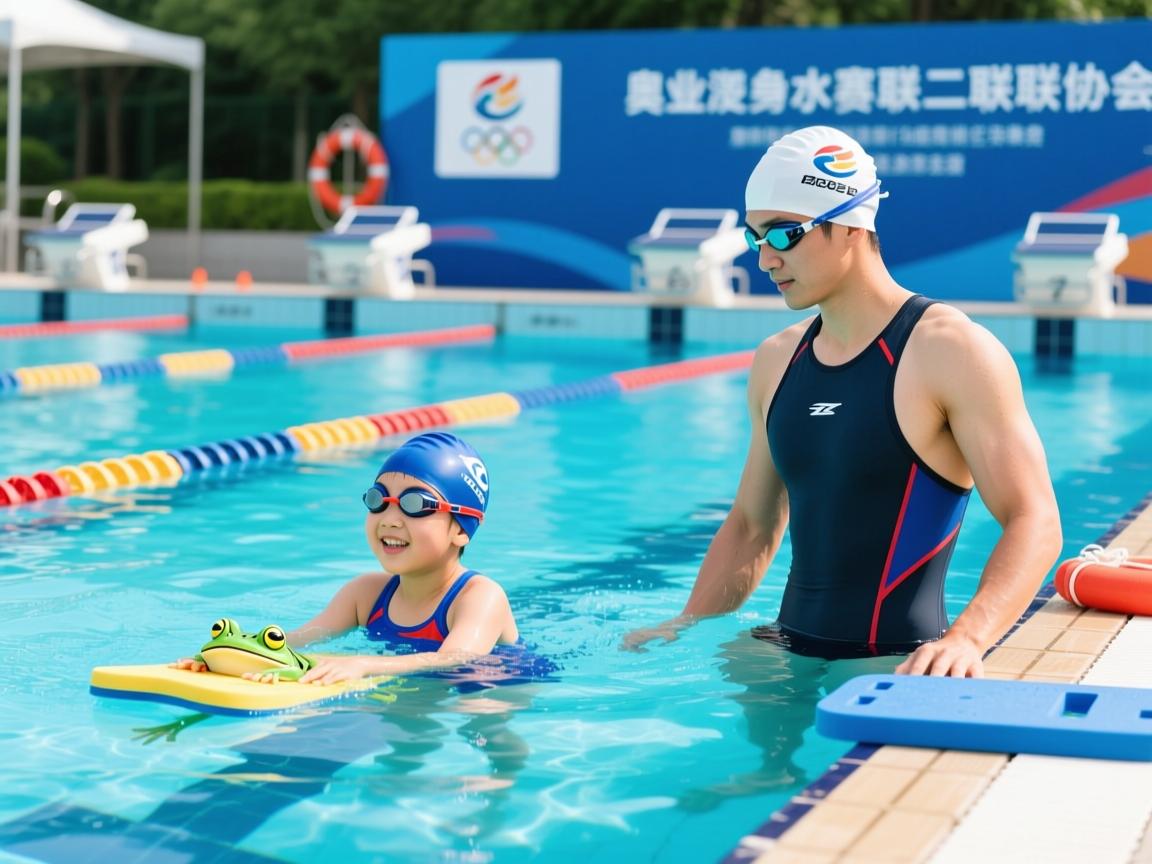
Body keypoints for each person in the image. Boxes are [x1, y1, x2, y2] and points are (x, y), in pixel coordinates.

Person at [624, 125, 1062, 677]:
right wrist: (685, 623)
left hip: (896, 664)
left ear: (851, 223)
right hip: (781, 653)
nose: (764, 260)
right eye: (755, 237)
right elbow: (752, 525)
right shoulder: (776, 360)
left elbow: (1035, 518)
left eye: (783, 235)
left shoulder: (949, 350)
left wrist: (967, 640)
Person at [176, 431, 520, 684]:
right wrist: (223, 657)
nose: (390, 518)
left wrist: (365, 664)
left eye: (415, 504)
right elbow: (296, 642)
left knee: (481, 714)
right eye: (378, 499)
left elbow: (455, 659)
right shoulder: (366, 594)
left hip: (495, 687)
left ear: (461, 528)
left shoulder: (479, 596)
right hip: (411, 686)